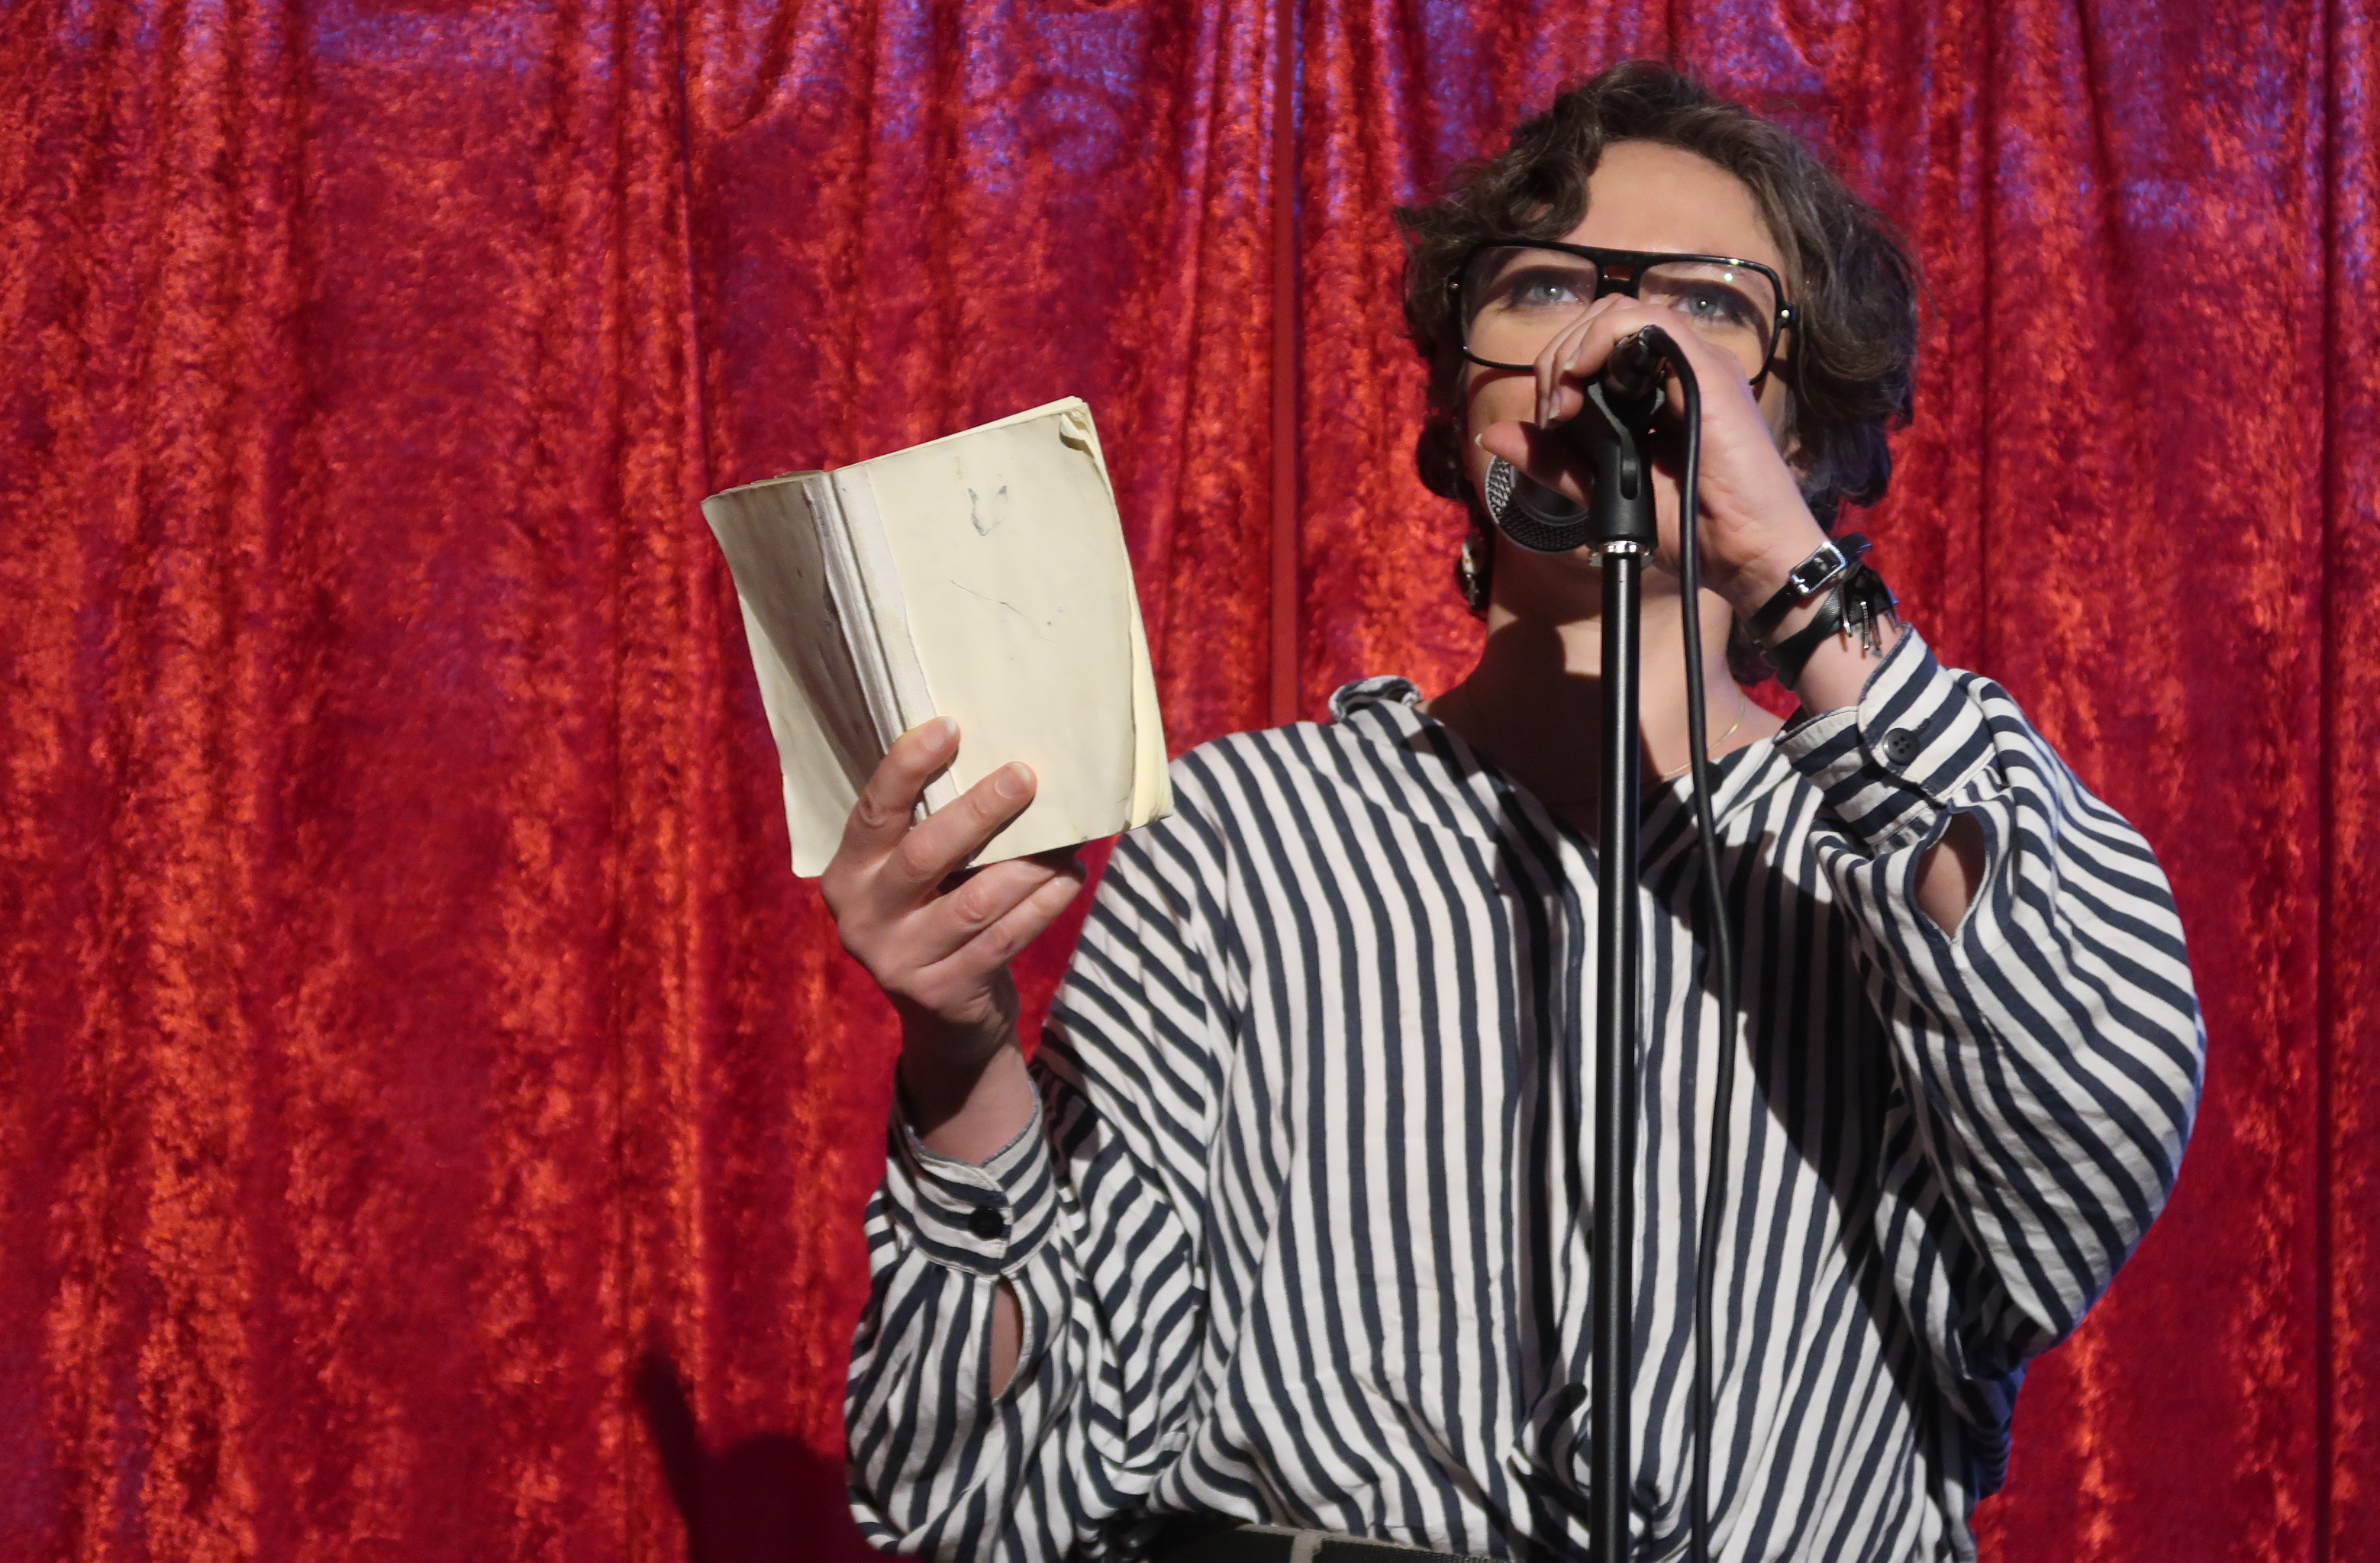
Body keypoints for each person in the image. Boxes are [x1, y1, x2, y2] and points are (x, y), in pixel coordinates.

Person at [826, 62, 2204, 1563]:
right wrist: (962, 1057)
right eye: (1543, 290)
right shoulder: (1245, 837)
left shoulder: (1899, 854)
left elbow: (2094, 1140)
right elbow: (987, 1506)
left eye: (1704, 307)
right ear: (1459, 396)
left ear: (1803, 433)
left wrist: (1788, 571)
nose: (1607, 345)